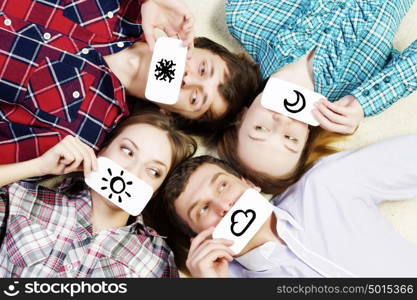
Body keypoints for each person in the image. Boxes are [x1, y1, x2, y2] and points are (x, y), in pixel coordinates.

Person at [0, 0, 261, 164]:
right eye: (203, 68)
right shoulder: (131, 7)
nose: (188, 78)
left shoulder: (84, 133)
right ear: (197, 44)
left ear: (169, 113)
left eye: (195, 98)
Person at [219, 0, 417, 194]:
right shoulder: (360, 92)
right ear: (306, 137)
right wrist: (367, 101)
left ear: (241, 117)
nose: (282, 120)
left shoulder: (244, 18)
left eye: (260, 128)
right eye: (290, 138)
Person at [155, 134, 417, 277]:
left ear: (250, 183)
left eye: (223, 185)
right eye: (202, 210)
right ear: (198, 240)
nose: (223, 205)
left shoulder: (325, 186)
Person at [0, 109, 196, 277]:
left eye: (153, 171)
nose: (132, 171)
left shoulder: (157, 263)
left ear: (155, 191)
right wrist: (38, 166)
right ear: (102, 151)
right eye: (127, 151)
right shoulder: (25, 198)